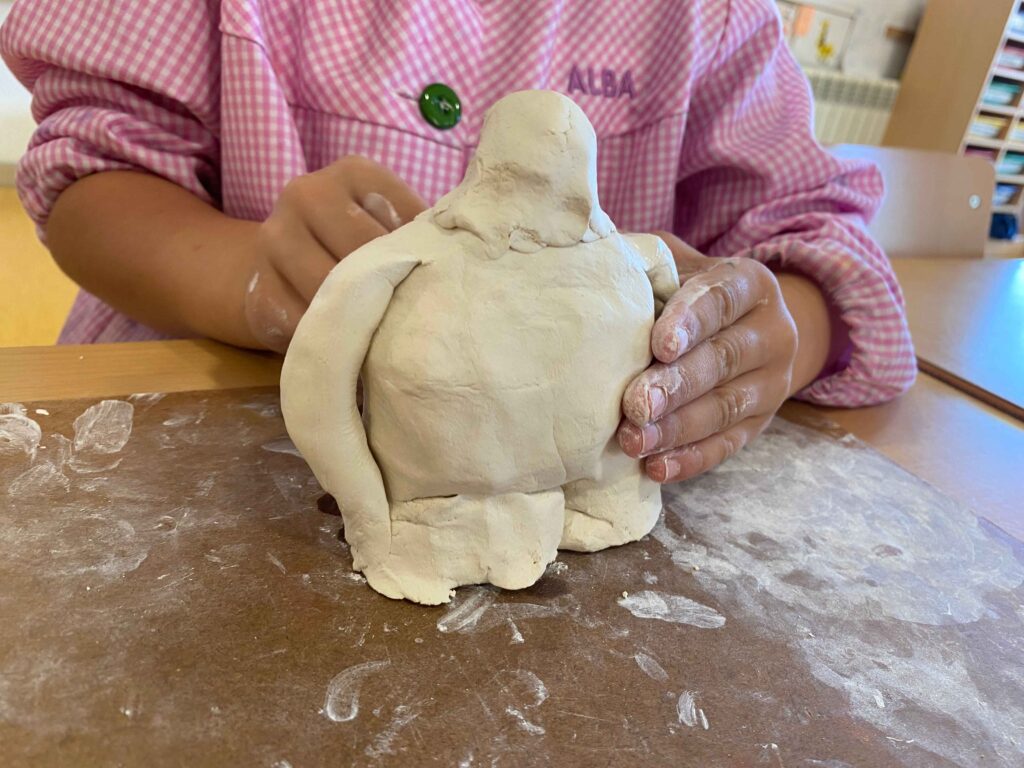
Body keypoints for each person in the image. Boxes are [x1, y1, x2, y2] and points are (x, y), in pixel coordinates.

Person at [0, 0, 915, 486]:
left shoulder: (710, 16)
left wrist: (763, 338)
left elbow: (818, 239)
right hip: (193, 428)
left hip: (590, 459)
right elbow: (89, 172)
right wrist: (247, 274)